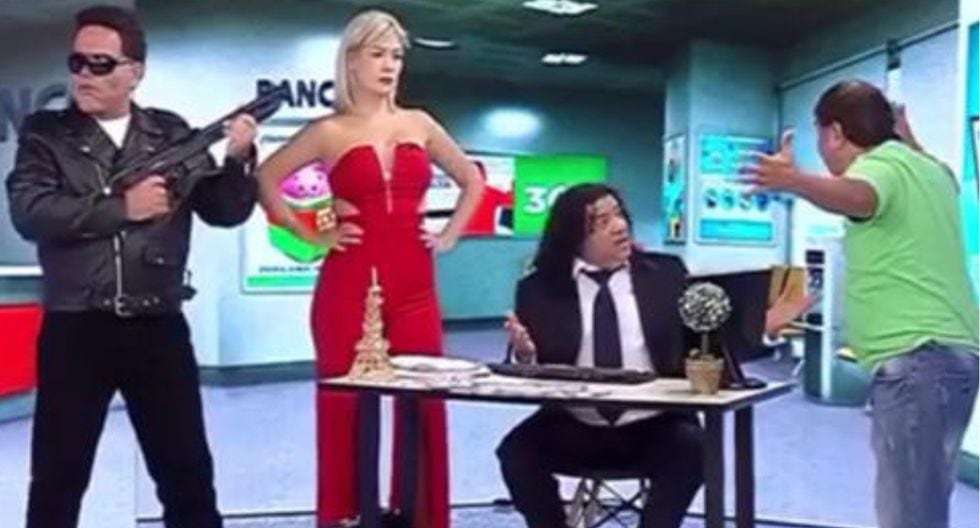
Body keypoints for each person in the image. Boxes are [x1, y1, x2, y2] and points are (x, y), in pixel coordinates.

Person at [5, 6, 258, 528]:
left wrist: (237, 160)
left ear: (134, 71)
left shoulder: (170, 133)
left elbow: (223, 211)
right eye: (77, 62)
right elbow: (31, 212)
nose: (83, 75)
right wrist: (123, 208)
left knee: (188, 478)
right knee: (57, 481)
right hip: (77, 326)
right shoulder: (46, 133)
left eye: (100, 64)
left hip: (157, 325)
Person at [256, 9, 483, 528]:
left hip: (415, 286)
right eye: (378, 54)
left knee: (424, 405)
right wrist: (312, 234)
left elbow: (471, 179)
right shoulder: (328, 131)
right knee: (344, 408)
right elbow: (266, 178)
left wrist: (448, 236)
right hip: (348, 284)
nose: (389, 65)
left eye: (396, 56)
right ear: (352, 61)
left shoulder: (419, 123)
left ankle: (424, 519)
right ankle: (344, 518)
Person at [741, 80, 979, 528]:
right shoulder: (931, 172)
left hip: (917, 361)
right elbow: (925, 176)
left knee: (909, 515)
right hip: (955, 359)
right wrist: (908, 138)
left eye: (820, 138)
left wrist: (793, 181)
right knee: (925, 504)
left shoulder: (878, 168)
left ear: (834, 132)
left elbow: (861, 197)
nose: (822, 152)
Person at [498, 183, 704, 528]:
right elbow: (535, 376)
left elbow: (706, 340)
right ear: (574, 236)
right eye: (602, 222)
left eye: (619, 215)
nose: (619, 226)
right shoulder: (538, 289)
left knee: (694, 447)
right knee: (516, 452)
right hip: (575, 424)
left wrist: (761, 327)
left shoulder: (667, 274)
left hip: (656, 423)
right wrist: (527, 358)